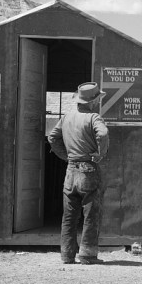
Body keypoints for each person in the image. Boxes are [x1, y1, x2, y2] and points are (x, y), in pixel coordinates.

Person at [47, 82, 109, 265]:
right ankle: (88, 255)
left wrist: (66, 156)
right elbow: (103, 134)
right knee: (91, 214)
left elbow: (52, 137)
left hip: (70, 171)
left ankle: (67, 255)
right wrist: (100, 154)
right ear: (93, 101)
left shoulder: (67, 117)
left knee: (69, 215)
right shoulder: (93, 117)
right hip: (88, 170)